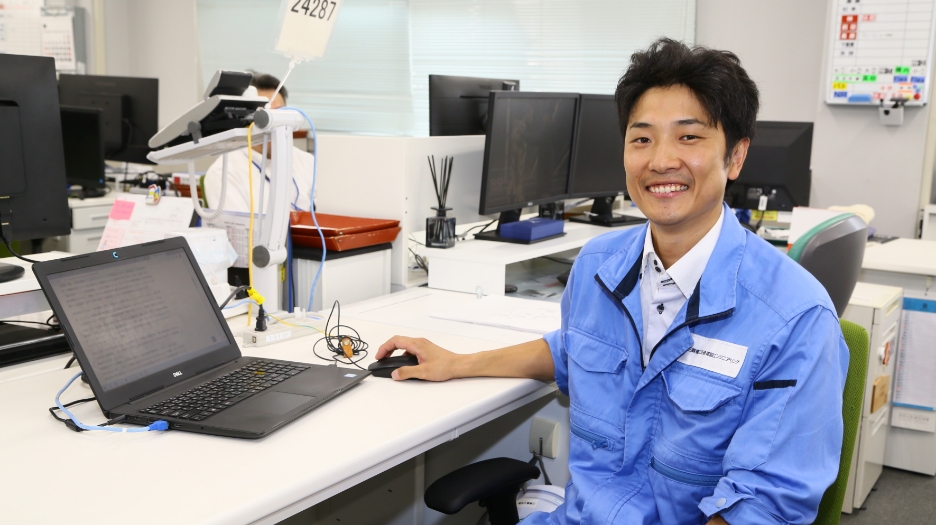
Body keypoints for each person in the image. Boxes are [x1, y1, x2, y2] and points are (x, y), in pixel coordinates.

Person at [376, 38, 849, 525]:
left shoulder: (796, 316)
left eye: (689, 137)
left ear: (736, 157)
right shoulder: (598, 264)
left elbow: (762, 506)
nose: (660, 161)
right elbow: (572, 348)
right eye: (641, 139)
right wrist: (458, 363)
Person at [203, 73, 314, 213]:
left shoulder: (307, 162)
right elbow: (239, 226)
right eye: (265, 115)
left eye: (280, 113)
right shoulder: (224, 173)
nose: (274, 124)